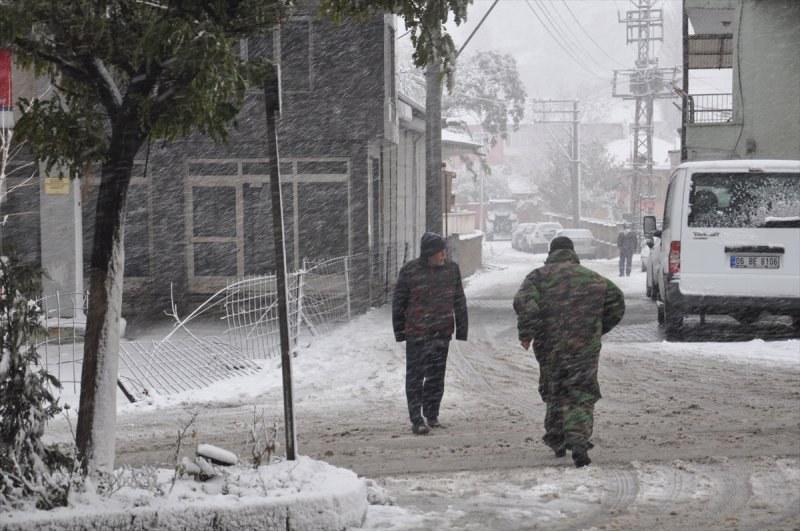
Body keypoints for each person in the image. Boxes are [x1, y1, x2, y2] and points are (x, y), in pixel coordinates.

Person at [513, 236, 625, 467]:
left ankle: (556, 437)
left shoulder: (538, 277)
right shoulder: (594, 278)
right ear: (572, 253)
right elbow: (617, 302)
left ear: (551, 253)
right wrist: (597, 328)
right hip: (584, 346)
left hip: (550, 344)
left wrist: (527, 332)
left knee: (555, 388)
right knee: (580, 391)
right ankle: (578, 438)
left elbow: (526, 303)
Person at [392, 232, 468, 435]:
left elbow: (459, 299)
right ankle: (417, 419)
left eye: (444, 251)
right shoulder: (410, 271)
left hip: (441, 332)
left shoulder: (451, 269)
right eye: (439, 251)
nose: (444, 254)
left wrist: (461, 328)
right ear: (428, 253)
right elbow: (399, 302)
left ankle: (432, 415)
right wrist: (400, 331)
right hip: (417, 333)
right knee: (415, 377)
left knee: (436, 377)